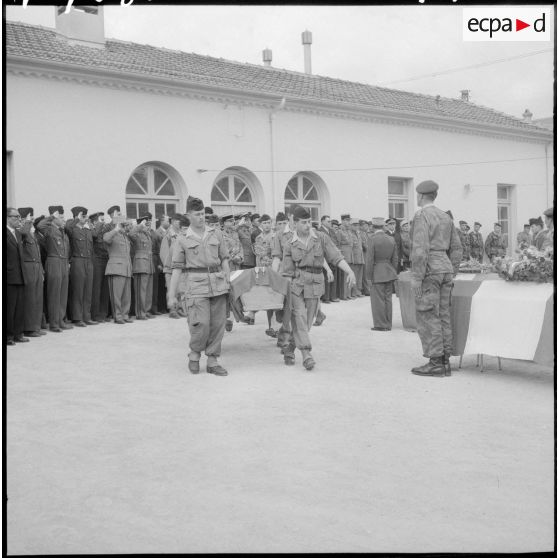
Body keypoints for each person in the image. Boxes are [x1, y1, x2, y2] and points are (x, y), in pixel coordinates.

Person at [280, 206, 356, 370]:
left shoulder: (321, 238)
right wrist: (284, 295)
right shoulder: (289, 244)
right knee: (299, 317)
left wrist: (349, 271)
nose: (308, 225)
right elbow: (287, 272)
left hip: (315, 283)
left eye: (309, 222)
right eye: (304, 222)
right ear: (295, 223)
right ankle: (306, 354)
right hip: (297, 285)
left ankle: (290, 347)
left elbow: (336, 256)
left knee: (307, 323)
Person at [168, 196, 231, 376]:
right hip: (195, 286)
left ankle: (212, 360)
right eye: (197, 214)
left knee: (218, 324)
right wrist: (171, 295)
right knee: (200, 323)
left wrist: (227, 281)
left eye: (203, 214)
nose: (201, 217)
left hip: (218, 284)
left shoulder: (216, 234)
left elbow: (224, 259)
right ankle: (195, 353)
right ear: (188, 215)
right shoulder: (181, 239)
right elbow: (177, 270)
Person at [410, 180, 462, 377]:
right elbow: (457, 248)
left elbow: (420, 249)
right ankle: (445, 360)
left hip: (429, 270)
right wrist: (452, 269)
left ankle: (434, 362)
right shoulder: (445, 217)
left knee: (428, 315)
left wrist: (416, 277)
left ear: (422, 196)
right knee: (443, 315)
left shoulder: (422, 216)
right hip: (445, 268)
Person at [36, 206, 72, 332]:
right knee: (54, 294)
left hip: (63, 262)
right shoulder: (49, 229)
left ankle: (61, 320)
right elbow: (40, 226)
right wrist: (52, 216)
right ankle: (54, 323)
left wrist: (68, 261)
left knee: (63, 293)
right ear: (54, 218)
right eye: (60, 217)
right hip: (54, 261)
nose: (63, 219)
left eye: (63, 217)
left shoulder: (63, 231)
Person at [365, 217, 399, 331]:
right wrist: (393, 271)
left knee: (378, 299)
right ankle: (388, 323)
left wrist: (368, 277)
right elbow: (395, 259)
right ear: (383, 226)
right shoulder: (391, 239)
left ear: (373, 227)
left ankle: (381, 324)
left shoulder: (372, 239)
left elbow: (369, 260)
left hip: (377, 272)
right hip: (389, 271)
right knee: (388, 299)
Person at [66, 206, 97, 327]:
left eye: (85, 216)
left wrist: (89, 224)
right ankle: (77, 317)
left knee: (88, 290)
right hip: (77, 260)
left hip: (88, 261)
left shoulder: (87, 230)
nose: (85, 218)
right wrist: (77, 220)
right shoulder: (72, 228)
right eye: (83, 216)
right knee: (78, 290)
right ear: (76, 217)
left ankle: (86, 316)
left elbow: (95, 235)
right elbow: (67, 227)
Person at [17, 207, 46, 338]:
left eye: (32, 218)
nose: (32, 220)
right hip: (28, 267)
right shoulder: (21, 230)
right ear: (23, 218)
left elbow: (38, 253)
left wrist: (42, 270)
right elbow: (22, 232)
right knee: (29, 298)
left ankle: (36, 326)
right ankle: (29, 328)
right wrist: (27, 222)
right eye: (30, 217)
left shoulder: (32, 233)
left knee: (38, 298)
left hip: (37, 267)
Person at [103, 215, 134, 324]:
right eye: (122, 224)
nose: (124, 226)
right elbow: (106, 239)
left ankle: (125, 315)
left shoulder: (125, 237)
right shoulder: (112, 234)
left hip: (126, 269)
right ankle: (118, 316)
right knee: (117, 295)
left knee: (126, 295)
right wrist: (116, 228)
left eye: (124, 224)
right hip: (116, 268)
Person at [160, 213, 189, 319]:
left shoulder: (183, 236)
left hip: (180, 268)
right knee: (171, 288)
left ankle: (180, 309)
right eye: (177, 221)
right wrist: (168, 267)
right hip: (170, 268)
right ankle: (172, 310)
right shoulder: (168, 236)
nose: (179, 223)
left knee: (180, 289)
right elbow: (163, 253)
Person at [6, 207, 28, 345]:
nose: (18, 219)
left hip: (20, 275)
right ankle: (8, 336)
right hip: (8, 276)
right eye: (16, 217)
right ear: (7, 218)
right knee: (9, 308)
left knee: (19, 307)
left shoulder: (18, 234)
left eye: (19, 217)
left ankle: (18, 333)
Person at [129, 212, 155, 320]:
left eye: (149, 221)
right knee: (141, 290)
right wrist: (139, 226)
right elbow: (130, 234)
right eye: (146, 222)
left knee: (148, 290)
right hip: (140, 264)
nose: (148, 223)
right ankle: (140, 312)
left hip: (148, 264)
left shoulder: (147, 234)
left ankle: (146, 310)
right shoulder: (137, 233)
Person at [221, 213, 243, 331]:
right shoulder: (220, 235)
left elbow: (240, 248)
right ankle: (225, 318)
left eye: (233, 221)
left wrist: (240, 257)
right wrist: (230, 257)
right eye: (229, 221)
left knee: (235, 293)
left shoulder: (235, 234)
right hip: (225, 267)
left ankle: (231, 319)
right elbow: (220, 252)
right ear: (224, 223)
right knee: (225, 293)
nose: (232, 223)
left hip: (236, 267)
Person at [90, 212, 110, 322]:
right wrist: (98, 226)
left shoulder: (104, 231)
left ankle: (104, 313)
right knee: (96, 288)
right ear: (94, 222)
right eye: (101, 220)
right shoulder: (93, 230)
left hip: (106, 259)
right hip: (96, 260)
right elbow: (94, 237)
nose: (103, 223)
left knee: (105, 288)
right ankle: (95, 314)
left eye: (104, 220)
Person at [338, 213, 354, 299]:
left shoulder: (349, 230)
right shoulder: (340, 231)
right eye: (347, 221)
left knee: (349, 275)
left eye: (349, 220)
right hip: (344, 255)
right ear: (343, 221)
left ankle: (348, 294)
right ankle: (344, 295)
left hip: (350, 254)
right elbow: (338, 244)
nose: (348, 222)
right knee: (345, 276)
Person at [350, 219, 366, 297]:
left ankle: (358, 291)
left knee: (359, 276)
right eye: (354, 225)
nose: (356, 227)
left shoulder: (358, 234)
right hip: (354, 258)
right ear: (351, 226)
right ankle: (353, 293)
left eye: (357, 225)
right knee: (354, 276)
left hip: (360, 257)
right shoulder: (350, 234)